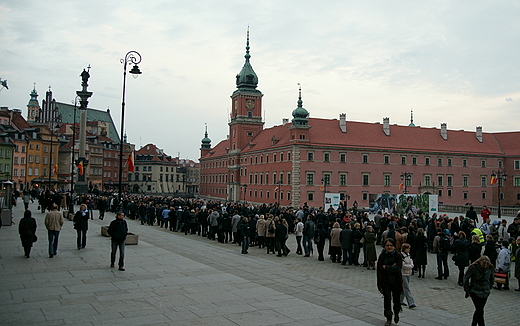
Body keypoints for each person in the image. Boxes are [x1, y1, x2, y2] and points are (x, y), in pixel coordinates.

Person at [377, 238, 403, 326]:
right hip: (386, 281)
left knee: (396, 299)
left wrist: (387, 267)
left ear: (394, 246)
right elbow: (380, 269)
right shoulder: (382, 256)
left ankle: (396, 313)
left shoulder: (398, 255)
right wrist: (392, 267)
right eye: (387, 245)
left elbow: (398, 268)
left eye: (391, 245)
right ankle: (388, 317)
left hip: (396, 281)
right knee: (387, 300)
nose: (389, 247)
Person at [463, 255, 494, 326]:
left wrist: (489, 287)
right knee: (480, 310)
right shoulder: (473, 268)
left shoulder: (490, 267)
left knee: (479, 310)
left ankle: (473, 324)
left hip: (485, 291)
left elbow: (492, 278)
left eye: (486, 266)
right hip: (475, 291)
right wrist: (467, 290)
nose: (485, 267)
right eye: (483, 266)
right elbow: (466, 278)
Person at [400, 243, 416, 309]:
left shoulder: (408, 255)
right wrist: (410, 266)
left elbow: (411, 262)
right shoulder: (401, 256)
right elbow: (403, 265)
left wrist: (411, 266)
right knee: (406, 288)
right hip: (403, 273)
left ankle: (400, 300)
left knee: (403, 288)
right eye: (408, 248)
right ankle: (411, 302)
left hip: (408, 273)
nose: (409, 250)